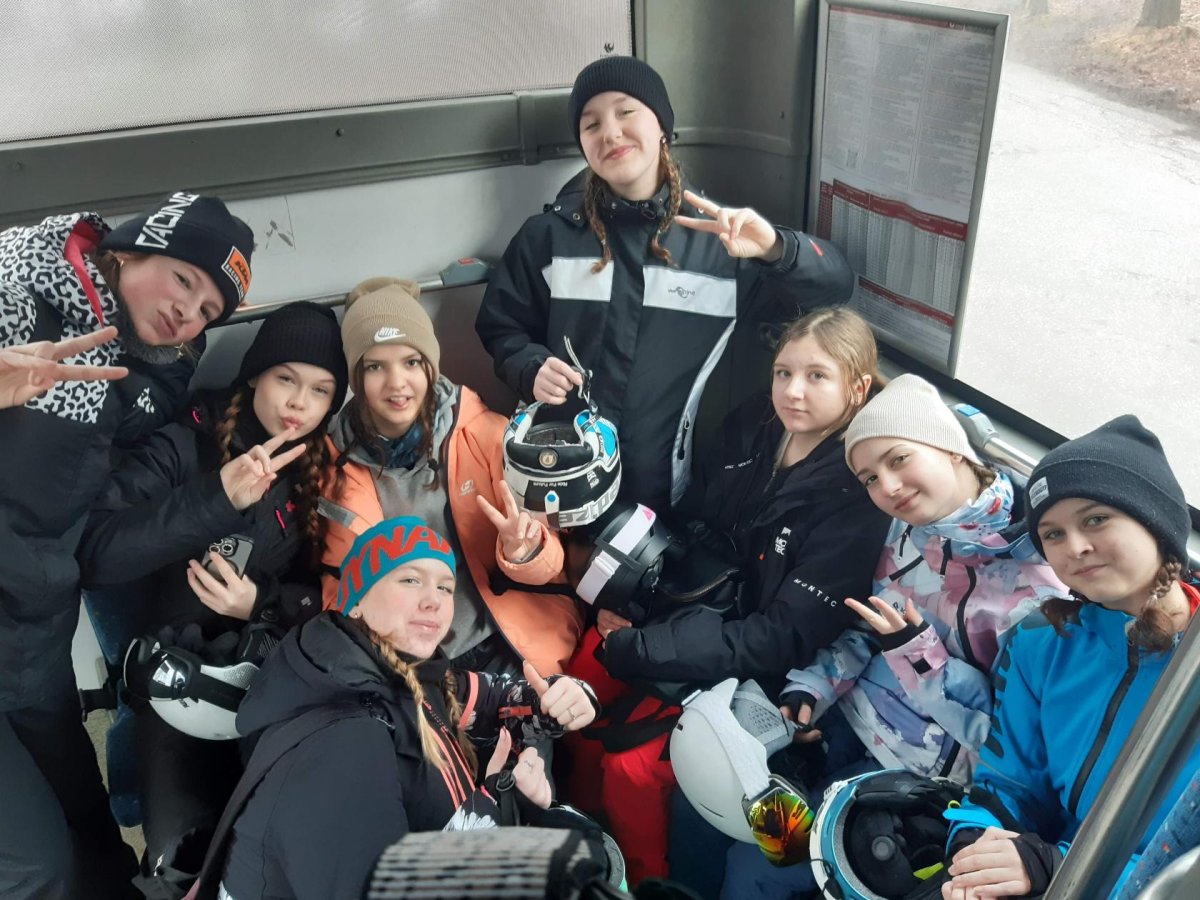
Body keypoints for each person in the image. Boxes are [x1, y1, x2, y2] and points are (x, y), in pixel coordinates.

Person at [565, 308, 891, 887]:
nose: (792, 391)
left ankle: (649, 885)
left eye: (816, 376)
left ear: (857, 388)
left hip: (760, 664)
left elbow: (783, 636)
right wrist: (639, 604)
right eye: (784, 372)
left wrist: (648, 648)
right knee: (586, 665)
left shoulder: (854, 494)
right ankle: (580, 827)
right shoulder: (754, 426)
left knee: (633, 768)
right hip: (700, 610)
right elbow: (696, 525)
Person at [0, 191, 254, 899]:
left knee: (92, 829)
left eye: (207, 309)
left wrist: (219, 495)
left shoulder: (150, 370)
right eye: (183, 279)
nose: (187, 311)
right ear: (133, 249)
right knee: (38, 869)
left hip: (33, 634)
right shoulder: (18, 289)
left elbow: (101, 534)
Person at [726, 376, 1062, 900]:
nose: (887, 487)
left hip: (920, 771)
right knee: (727, 805)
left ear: (951, 447)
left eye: (899, 459)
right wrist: (813, 686)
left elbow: (1002, 741)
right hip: (846, 718)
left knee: (756, 867)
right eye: (869, 478)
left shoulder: (1037, 597)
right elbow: (867, 625)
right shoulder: (905, 533)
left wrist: (917, 652)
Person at [475, 55, 855, 512]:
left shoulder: (720, 246)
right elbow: (502, 328)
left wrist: (776, 247)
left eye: (626, 111)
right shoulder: (549, 237)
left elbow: (835, 288)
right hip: (566, 483)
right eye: (591, 124)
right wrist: (531, 367)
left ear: (662, 127)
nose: (610, 132)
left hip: (671, 497)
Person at [77, 302, 346, 896]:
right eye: (286, 379)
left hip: (269, 668)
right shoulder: (186, 441)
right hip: (176, 676)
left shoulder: (322, 469)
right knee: (184, 858)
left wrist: (261, 602)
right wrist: (217, 501)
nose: (299, 403)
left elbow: (329, 597)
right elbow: (96, 555)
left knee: (286, 848)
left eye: (320, 391)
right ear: (255, 376)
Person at [220, 517, 600, 900]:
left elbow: (492, 702)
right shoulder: (342, 738)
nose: (434, 600)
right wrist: (494, 810)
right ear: (356, 601)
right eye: (410, 580)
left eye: (445, 586)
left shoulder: (407, 672)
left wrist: (557, 700)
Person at [943, 416, 1200, 900]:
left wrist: (1057, 867)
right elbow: (1007, 785)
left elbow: (1187, 871)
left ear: (1154, 521)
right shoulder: (1041, 642)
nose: (1076, 548)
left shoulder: (1192, 667)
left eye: (1096, 519)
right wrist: (976, 851)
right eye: (1053, 534)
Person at [319, 277, 583, 678]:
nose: (396, 383)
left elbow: (555, 562)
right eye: (375, 366)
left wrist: (524, 550)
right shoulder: (337, 472)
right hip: (417, 661)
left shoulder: (483, 432)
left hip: (510, 637)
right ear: (357, 378)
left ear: (431, 365)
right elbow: (341, 594)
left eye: (411, 362)